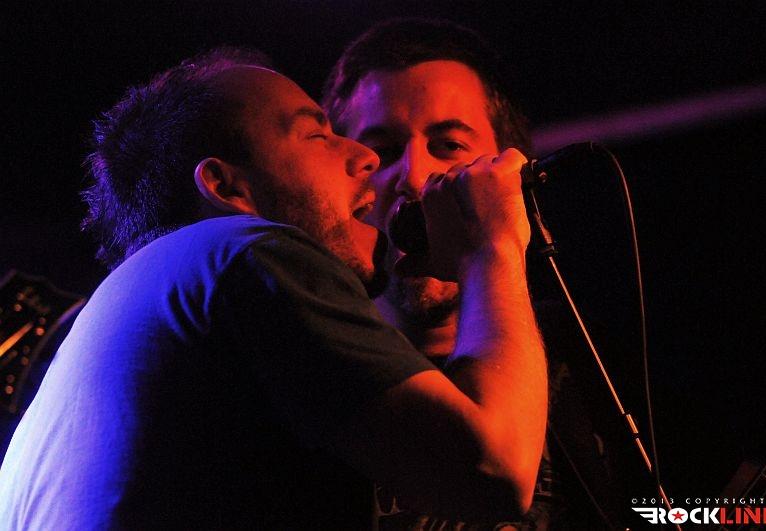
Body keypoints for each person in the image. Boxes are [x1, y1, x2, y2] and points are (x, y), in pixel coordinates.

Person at [0, 47, 547, 529]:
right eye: (318, 136)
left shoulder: (115, 321)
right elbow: (494, 470)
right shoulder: (242, 250)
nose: (366, 159)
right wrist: (491, 245)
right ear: (225, 185)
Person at [323, 18, 631, 529]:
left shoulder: (589, 358)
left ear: (512, 175)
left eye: (448, 145)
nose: (414, 178)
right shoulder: (311, 369)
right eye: (382, 151)